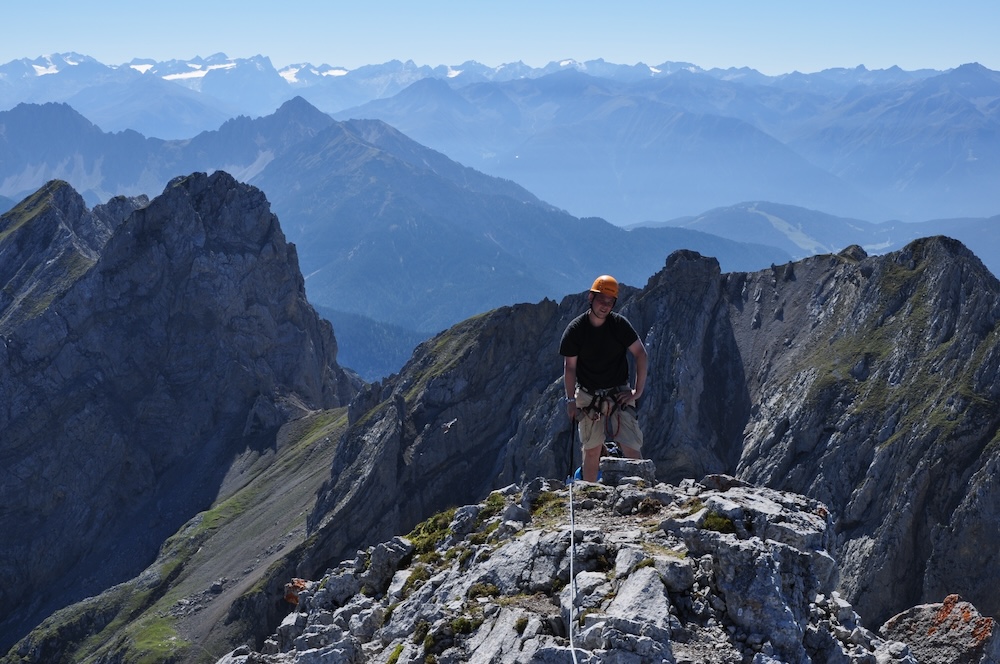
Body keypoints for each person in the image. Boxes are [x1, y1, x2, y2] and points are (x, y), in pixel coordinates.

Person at [559, 275, 647, 482]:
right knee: (591, 451)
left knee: (631, 447)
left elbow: (641, 354)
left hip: (618, 393)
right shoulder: (576, 330)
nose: (605, 306)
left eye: (610, 302)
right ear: (591, 297)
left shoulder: (619, 325)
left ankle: (645, 493)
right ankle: (590, 495)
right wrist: (571, 400)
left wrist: (637, 391)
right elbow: (569, 367)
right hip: (589, 395)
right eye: (602, 300)